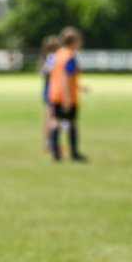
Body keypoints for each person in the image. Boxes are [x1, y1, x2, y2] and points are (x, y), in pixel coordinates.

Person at [46, 27, 87, 162]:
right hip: (66, 95)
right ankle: (74, 153)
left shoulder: (57, 54)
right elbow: (65, 77)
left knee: (55, 122)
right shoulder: (69, 56)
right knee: (72, 123)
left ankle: (56, 153)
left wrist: (79, 86)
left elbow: (52, 74)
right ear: (74, 41)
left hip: (54, 93)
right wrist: (67, 99)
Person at [38, 34, 61, 153]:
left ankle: (51, 142)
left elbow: (41, 72)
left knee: (50, 117)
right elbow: (46, 73)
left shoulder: (46, 58)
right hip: (51, 91)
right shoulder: (52, 58)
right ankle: (50, 143)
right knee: (51, 117)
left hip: (49, 89)